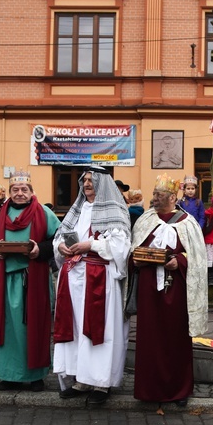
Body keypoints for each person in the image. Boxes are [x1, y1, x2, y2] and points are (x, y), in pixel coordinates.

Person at [52, 166, 132, 406]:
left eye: (91, 180)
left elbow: (121, 247)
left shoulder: (115, 210)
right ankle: (80, 379)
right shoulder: (76, 211)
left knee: (99, 331)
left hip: (100, 278)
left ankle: (100, 381)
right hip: (73, 277)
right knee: (76, 328)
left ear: (102, 183)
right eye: (84, 180)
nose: (87, 184)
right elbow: (59, 237)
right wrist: (60, 247)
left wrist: (91, 245)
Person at [129, 173, 208, 407]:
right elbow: (134, 250)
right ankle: (149, 391)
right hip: (148, 288)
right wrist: (137, 259)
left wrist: (179, 262)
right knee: (149, 338)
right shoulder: (145, 219)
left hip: (176, 289)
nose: (154, 198)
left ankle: (179, 390)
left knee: (176, 338)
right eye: (154, 194)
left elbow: (197, 257)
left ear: (173, 197)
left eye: (159, 195)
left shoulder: (188, 223)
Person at [0, 170, 60, 392]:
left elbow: (56, 241)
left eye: (24, 189)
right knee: (8, 328)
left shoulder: (44, 213)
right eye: (15, 190)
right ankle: (9, 375)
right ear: (10, 193)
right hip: (6, 281)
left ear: (32, 191)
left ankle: (36, 375)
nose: (20, 193)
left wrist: (38, 250)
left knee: (33, 326)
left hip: (34, 280)